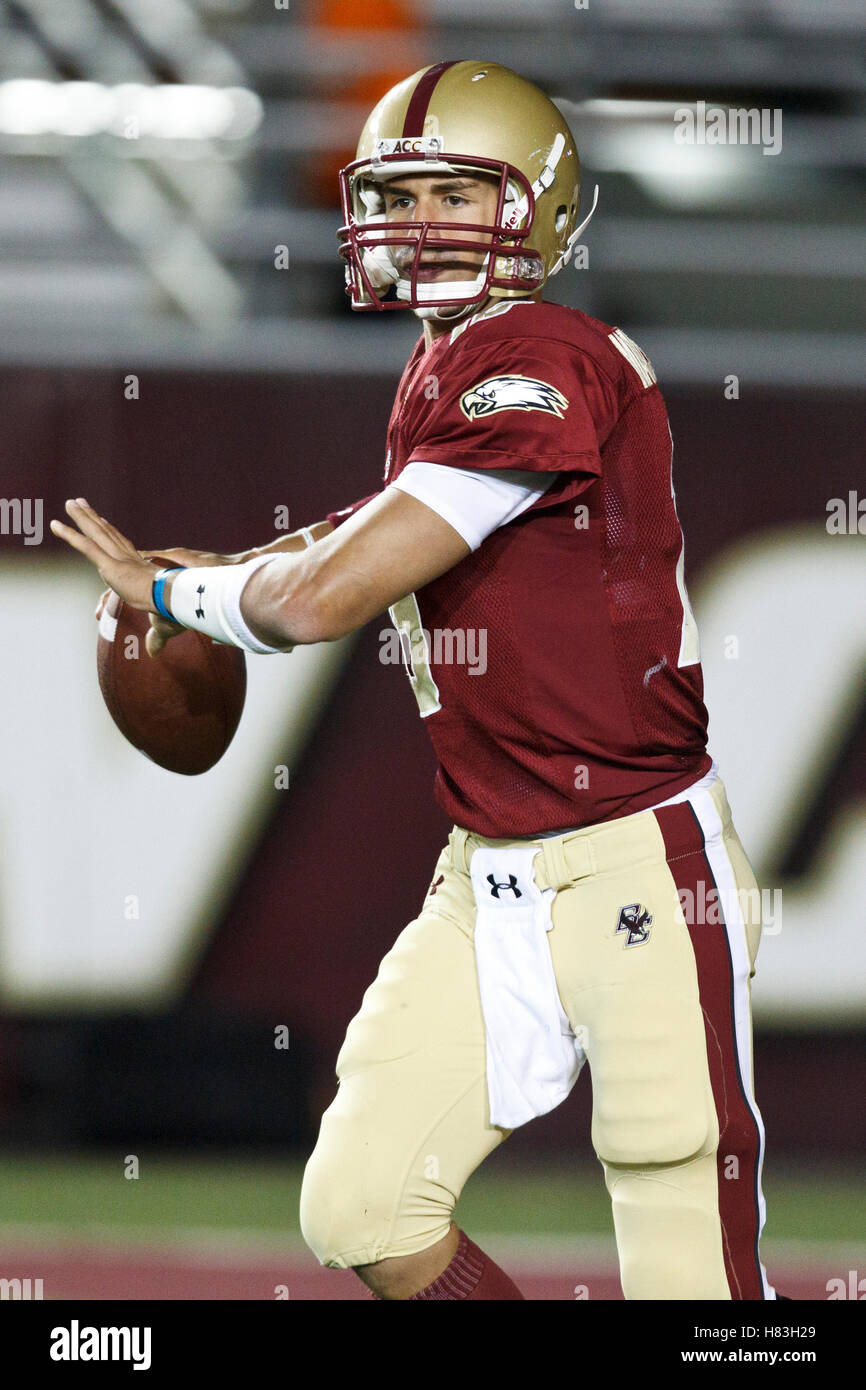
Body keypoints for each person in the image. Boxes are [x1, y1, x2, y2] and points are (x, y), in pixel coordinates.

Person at [52, 61, 779, 1301]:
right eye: (402, 193)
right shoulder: (448, 363)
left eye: (455, 192)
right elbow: (368, 528)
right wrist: (232, 564)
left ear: (536, 210)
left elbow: (327, 595)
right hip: (486, 871)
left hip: (634, 859)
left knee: (687, 1275)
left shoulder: (541, 356)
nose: (421, 224)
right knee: (364, 1203)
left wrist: (188, 598)